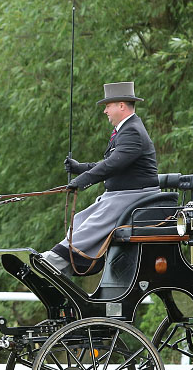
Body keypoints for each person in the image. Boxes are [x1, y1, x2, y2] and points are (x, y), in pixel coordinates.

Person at [41, 81, 160, 276]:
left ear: (121, 105)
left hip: (133, 197)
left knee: (94, 224)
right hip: (119, 195)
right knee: (80, 220)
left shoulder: (132, 131)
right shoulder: (126, 129)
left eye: (108, 106)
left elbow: (113, 165)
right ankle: (67, 264)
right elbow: (112, 162)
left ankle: (54, 261)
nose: (105, 111)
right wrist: (81, 168)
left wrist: (83, 180)